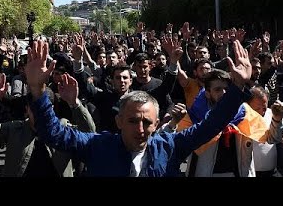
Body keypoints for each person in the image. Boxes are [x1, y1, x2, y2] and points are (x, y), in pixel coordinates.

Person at [25, 39, 252, 177]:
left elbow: (211, 125)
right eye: (133, 121)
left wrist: (238, 86)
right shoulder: (97, 146)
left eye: (146, 122)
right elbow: (54, 133)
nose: (140, 129)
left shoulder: (170, 146)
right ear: (119, 121)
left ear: (156, 124)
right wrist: (37, 90)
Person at [0, 72, 96, 177]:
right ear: (27, 110)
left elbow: (89, 132)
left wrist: (75, 103)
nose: (38, 115)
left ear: (51, 109)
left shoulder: (63, 129)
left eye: (43, 109)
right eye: (34, 110)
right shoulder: (15, 129)